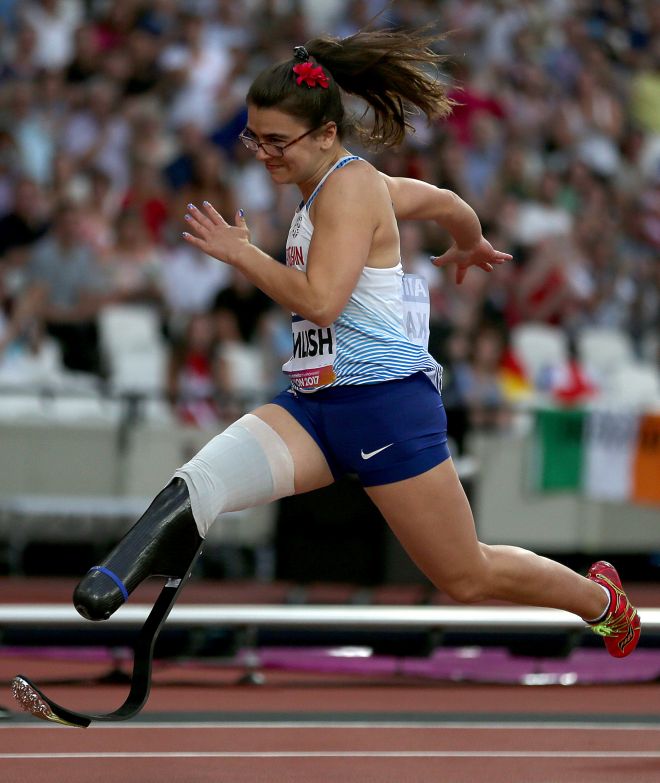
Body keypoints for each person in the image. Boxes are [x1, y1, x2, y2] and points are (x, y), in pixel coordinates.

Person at [74, 27, 640, 660]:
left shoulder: (348, 188)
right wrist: (469, 238)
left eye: (276, 141)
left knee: (465, 575)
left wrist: (244, 255)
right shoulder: (344, 185)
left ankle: (601, 603)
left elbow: (320, 301)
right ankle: (109, 582)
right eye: (253, 137)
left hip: (385, 407)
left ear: (324, 134)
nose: (262, 154)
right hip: (315, 406)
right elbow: (443, 200)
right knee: (201, 482)